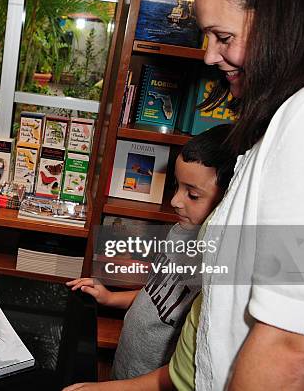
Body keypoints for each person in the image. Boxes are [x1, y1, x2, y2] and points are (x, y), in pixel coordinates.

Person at [192, 0, 304, 390]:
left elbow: (292, 344)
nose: (209, 55)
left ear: (284, 23)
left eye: (223, 37)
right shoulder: (295, 114)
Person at [65, 124, 236, 389]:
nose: (175, 201)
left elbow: (186, 369)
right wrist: (110, 298)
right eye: (177, 187)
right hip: (127, 367)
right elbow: (157, 294)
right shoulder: (180, 232)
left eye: (192, 194)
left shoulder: (215, 266)